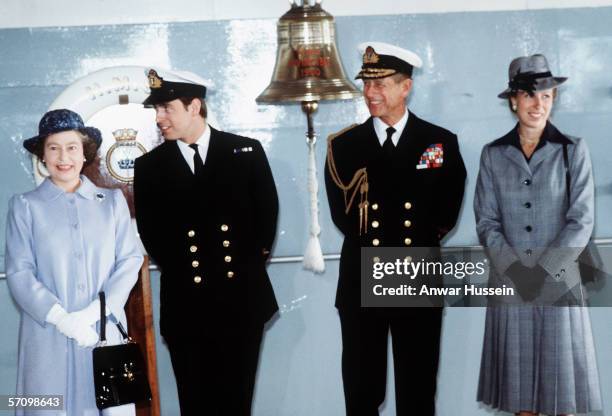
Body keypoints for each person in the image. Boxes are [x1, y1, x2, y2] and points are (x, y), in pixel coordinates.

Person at [325, 42, 466, 416]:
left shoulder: (439, 142)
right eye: (367, 84)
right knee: (361, 390)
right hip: (361, 274)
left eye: (381, 83)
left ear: (406, 87)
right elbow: (343, 216)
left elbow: (446, 211)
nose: (371, 93)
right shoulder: (344, 146)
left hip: (416, 270)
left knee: (417, 389)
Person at [133, 68, 279, 416]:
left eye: (167, 108)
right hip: (188, 306)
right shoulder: (150, 167)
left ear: (194, 106)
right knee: (195, 403)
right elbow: (155, 238)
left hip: (241, 301)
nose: (159, 118)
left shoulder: (245, 151)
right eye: (156, 110)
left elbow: (265, 222)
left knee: (236, 402)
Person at [475, 54, 602, 416]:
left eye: (546, 96)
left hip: (559, 281)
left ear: (554, 99)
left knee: (561, 394)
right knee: (521, 400)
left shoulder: (573, 150)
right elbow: (487, 221)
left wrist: (545, 271)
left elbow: (582, 220)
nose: (538, 104)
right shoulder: (493, 155)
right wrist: (516, 270)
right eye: (530, 95)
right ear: (513, 99)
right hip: (511, 282)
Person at [5, 109, 143, 416]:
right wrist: (61, 318)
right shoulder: (25, 206)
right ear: (42, 156)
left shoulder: (111, 202)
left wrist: (96, 312)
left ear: (85, 154)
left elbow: (129, 260)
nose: (63, 156)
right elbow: (19, 271)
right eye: (53, 148)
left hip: (102, 334)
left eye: (71, 147)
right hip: (48, 334)